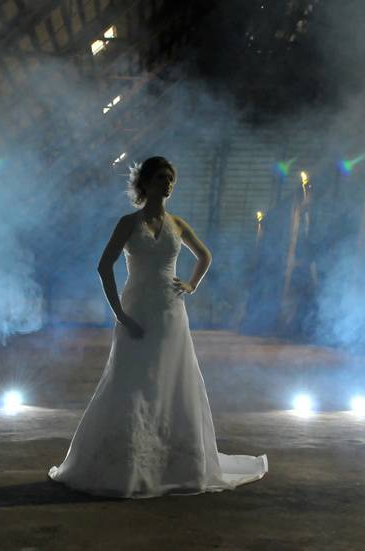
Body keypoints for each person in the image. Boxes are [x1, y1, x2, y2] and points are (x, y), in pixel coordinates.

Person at [48, 156, 268, 498]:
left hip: (170, 311)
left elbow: (205, 256)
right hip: (136, 309)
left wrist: (192, 285)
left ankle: (172, 461)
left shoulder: (177, 224)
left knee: (172, 380)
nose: (168, 184)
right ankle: (126, 460)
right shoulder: (127, 223)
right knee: (130, 379)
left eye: (172, 179)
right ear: (146, 182)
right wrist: (120, 315)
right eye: (163, 178)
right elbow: (104, 267)